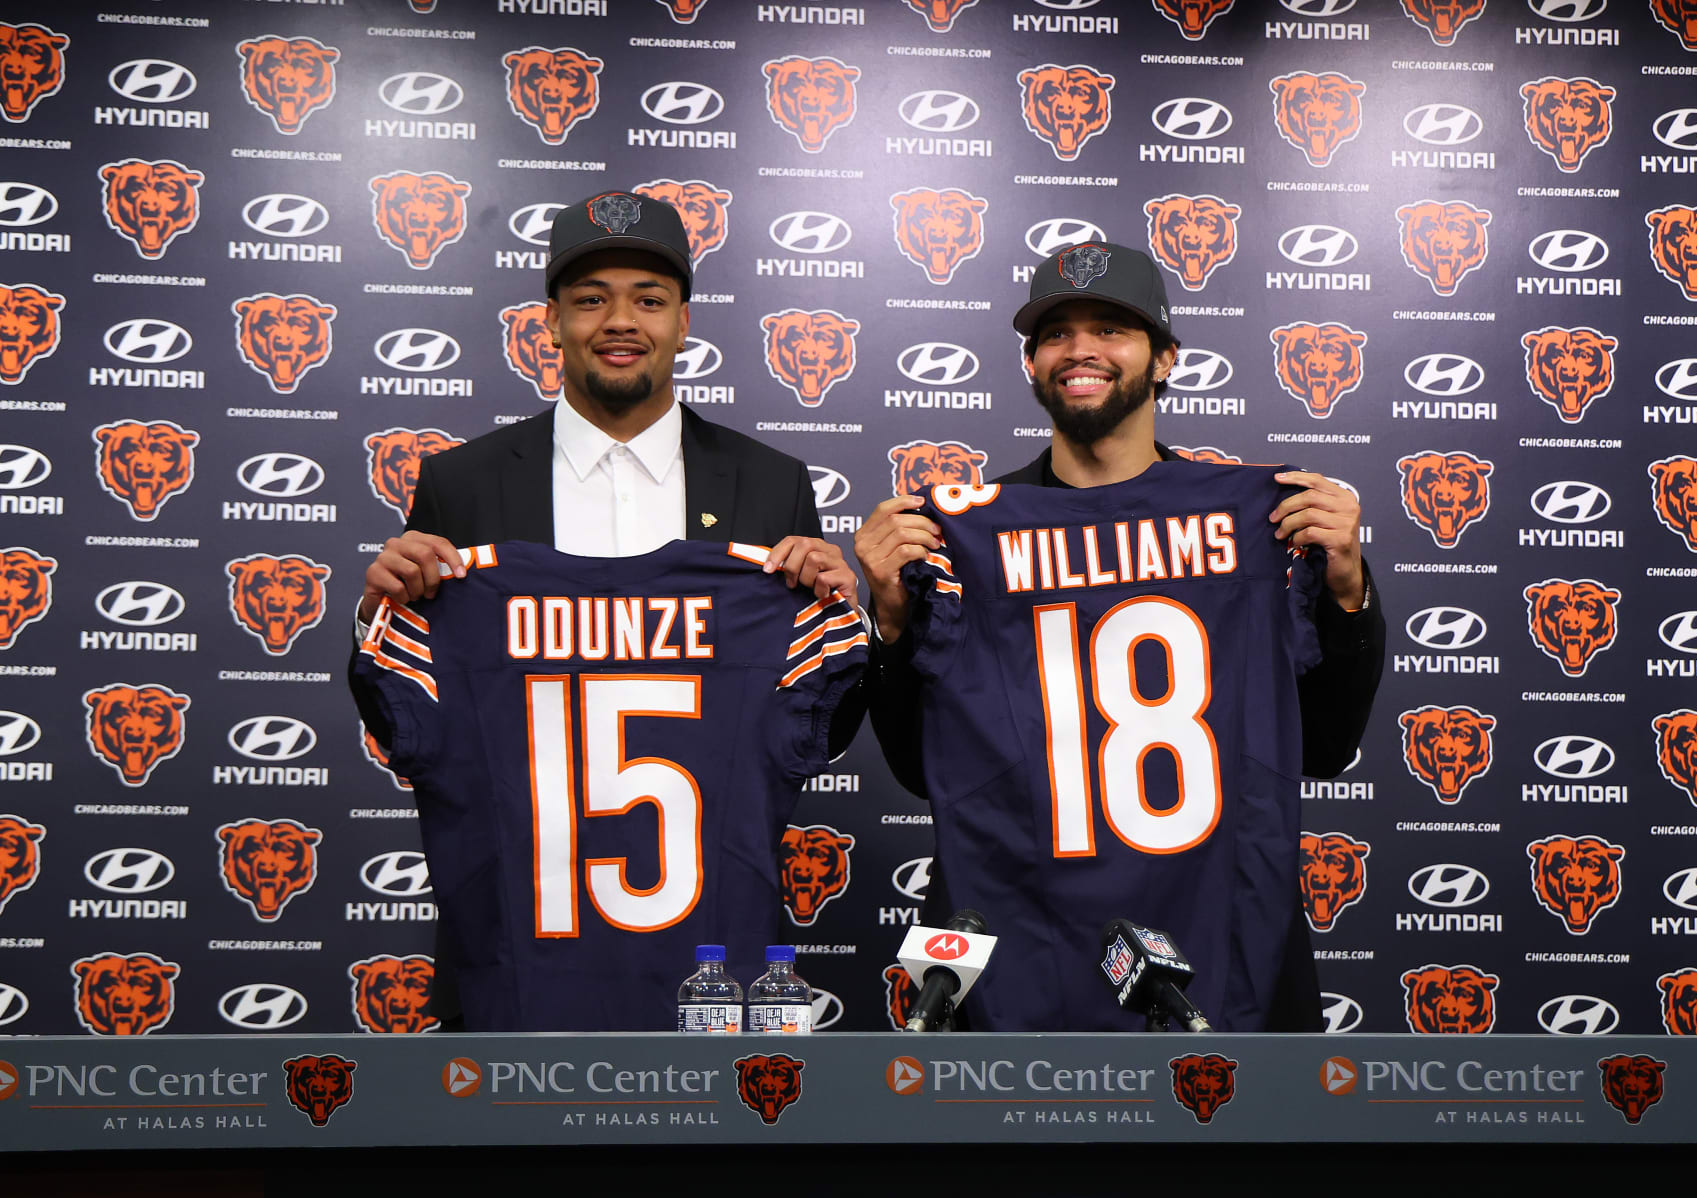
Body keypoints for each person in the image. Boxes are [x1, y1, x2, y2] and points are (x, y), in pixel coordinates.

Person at [347, 190, 862, 1029]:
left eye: (649, 300)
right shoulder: (463, 481)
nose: (620, 321)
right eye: (591, 299)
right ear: (549, 320)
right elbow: (405, 707)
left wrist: (844, 612)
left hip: (709, 965)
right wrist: (377, 610)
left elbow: (814, 724)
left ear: (684, 320)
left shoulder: (771, 484)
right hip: (518, 950)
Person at [854, 242, 1384, 1031]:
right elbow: (921, 768)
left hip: (1219, 923)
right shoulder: (960, 543)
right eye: (1057, 334)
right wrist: (892, 624)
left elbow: (1326, 745)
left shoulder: (1262, 523)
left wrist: (1346, 588)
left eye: (1112, 329)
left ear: (1165, 358)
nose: (1082, 351)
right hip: (1019, 933)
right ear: (1032, 364)